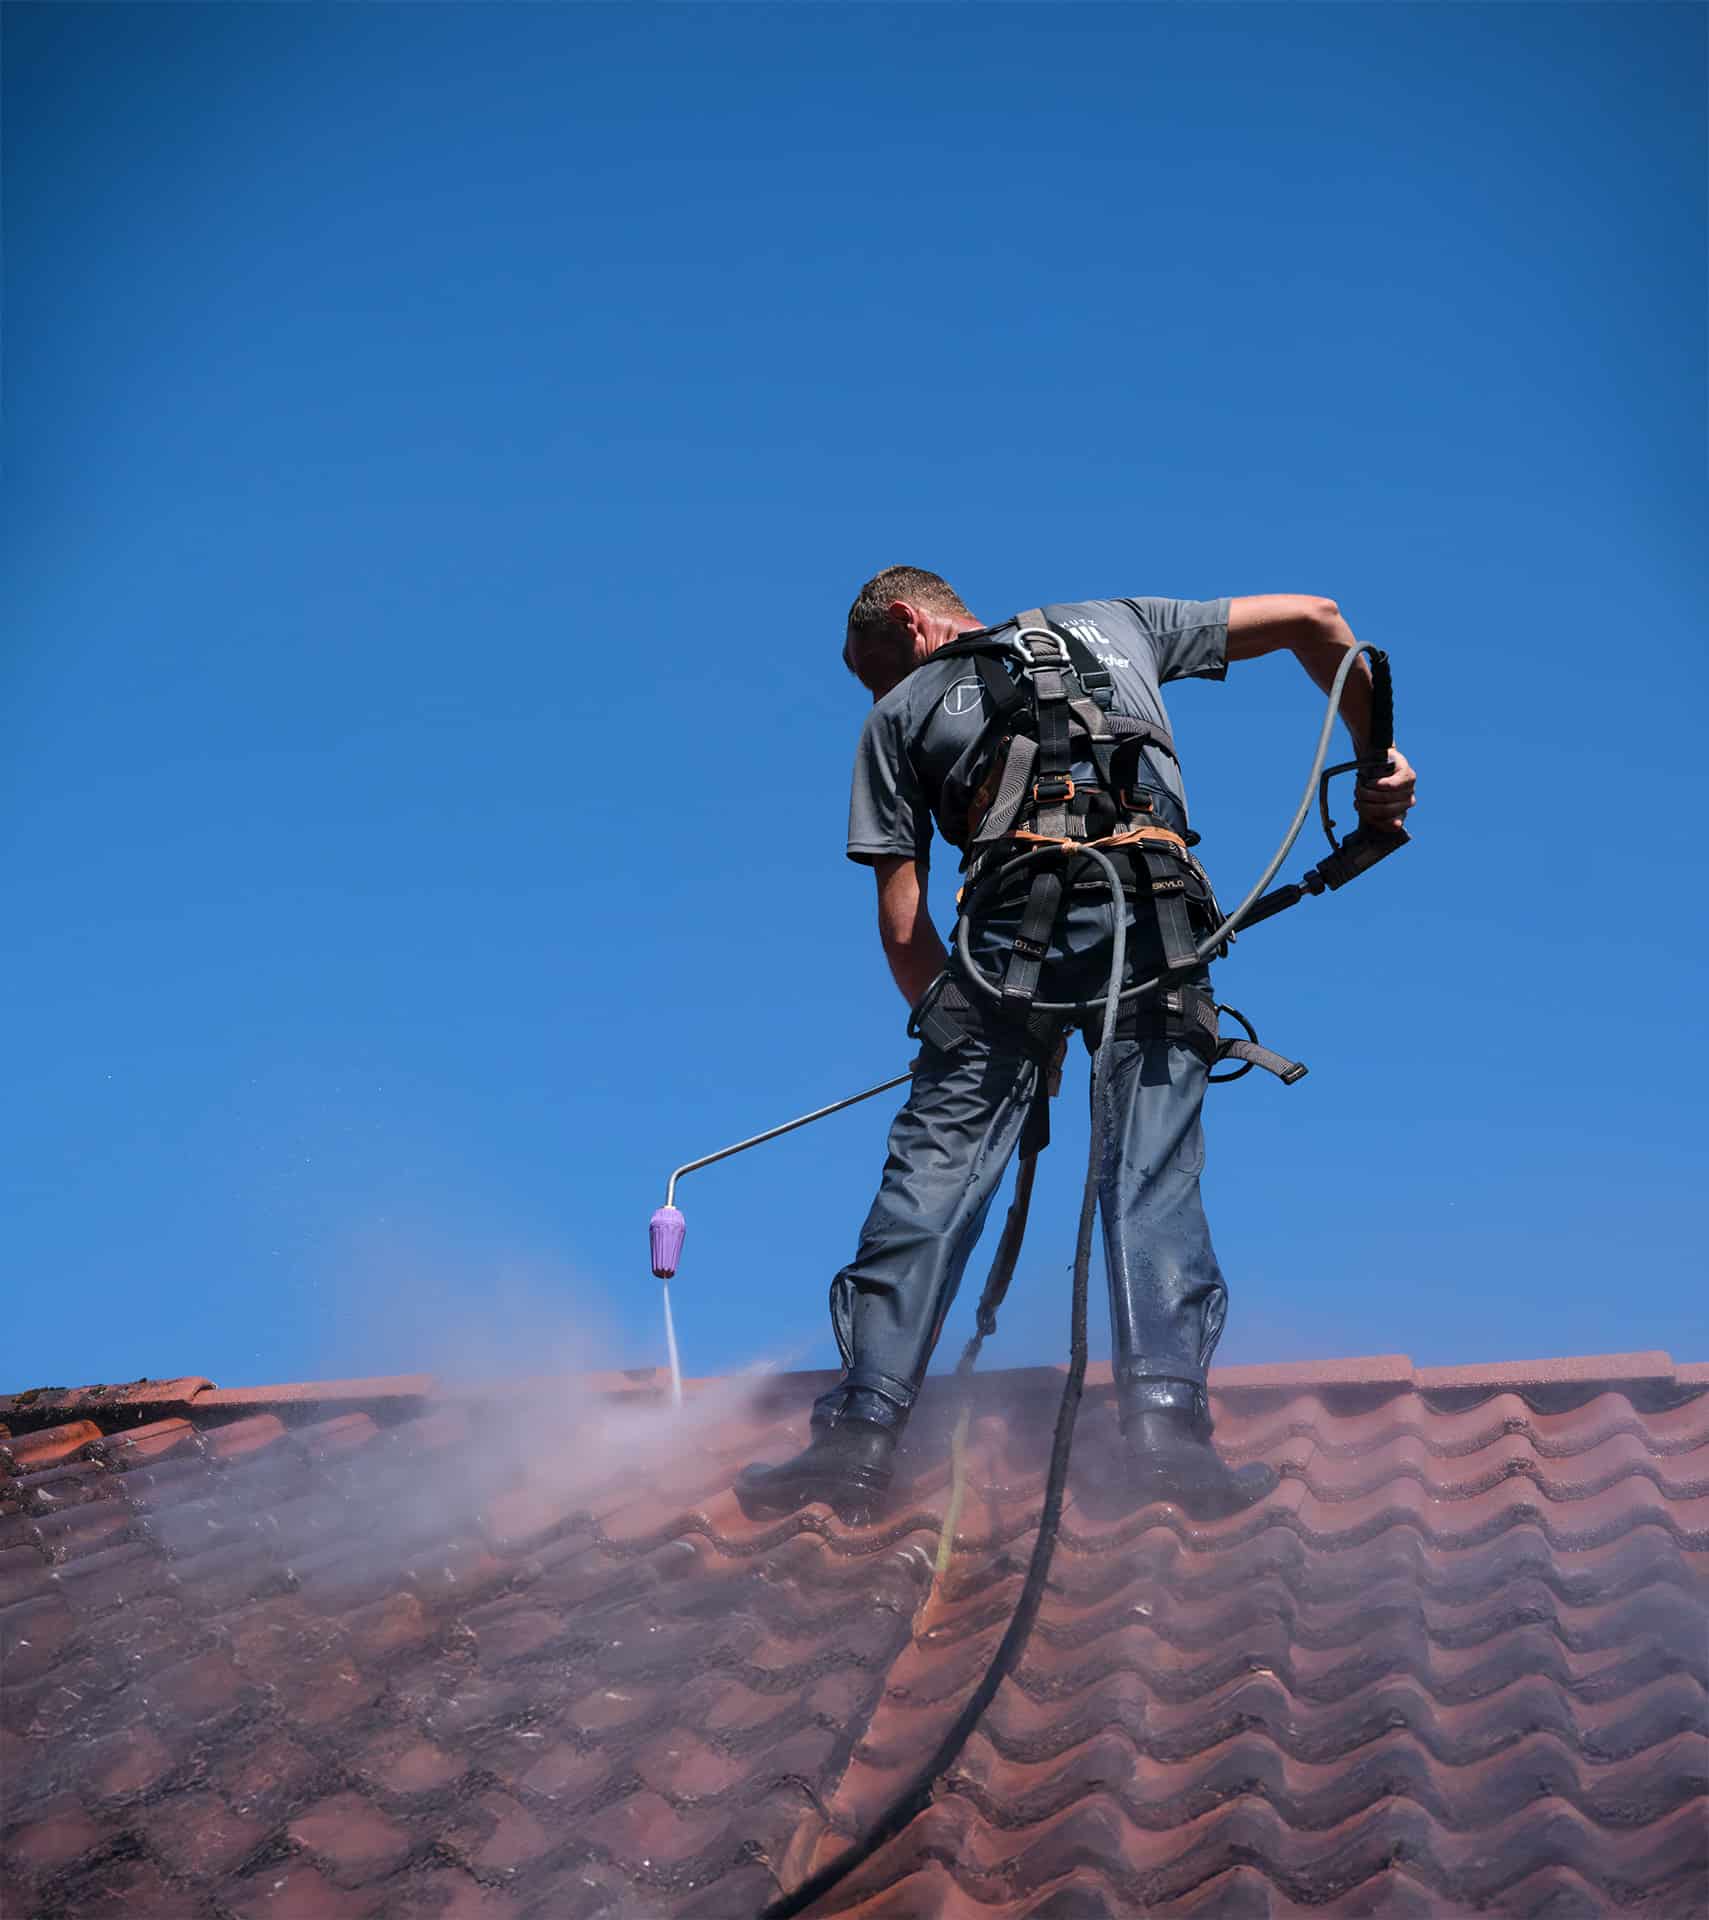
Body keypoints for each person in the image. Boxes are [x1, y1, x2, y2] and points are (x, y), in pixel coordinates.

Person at [735, 567, 1416, 1522]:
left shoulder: (894, 720)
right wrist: (1377, 762)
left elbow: (902, 926)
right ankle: (1166, 1440)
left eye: (877, 670)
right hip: (1159, 925)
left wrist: (969, 1036)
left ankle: (860, 1438)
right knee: (1149, 1175)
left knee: (937, 1175)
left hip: (1001, 941)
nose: (880, 694)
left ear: (907, 622)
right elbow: (1318, 619)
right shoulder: (1117, 622)